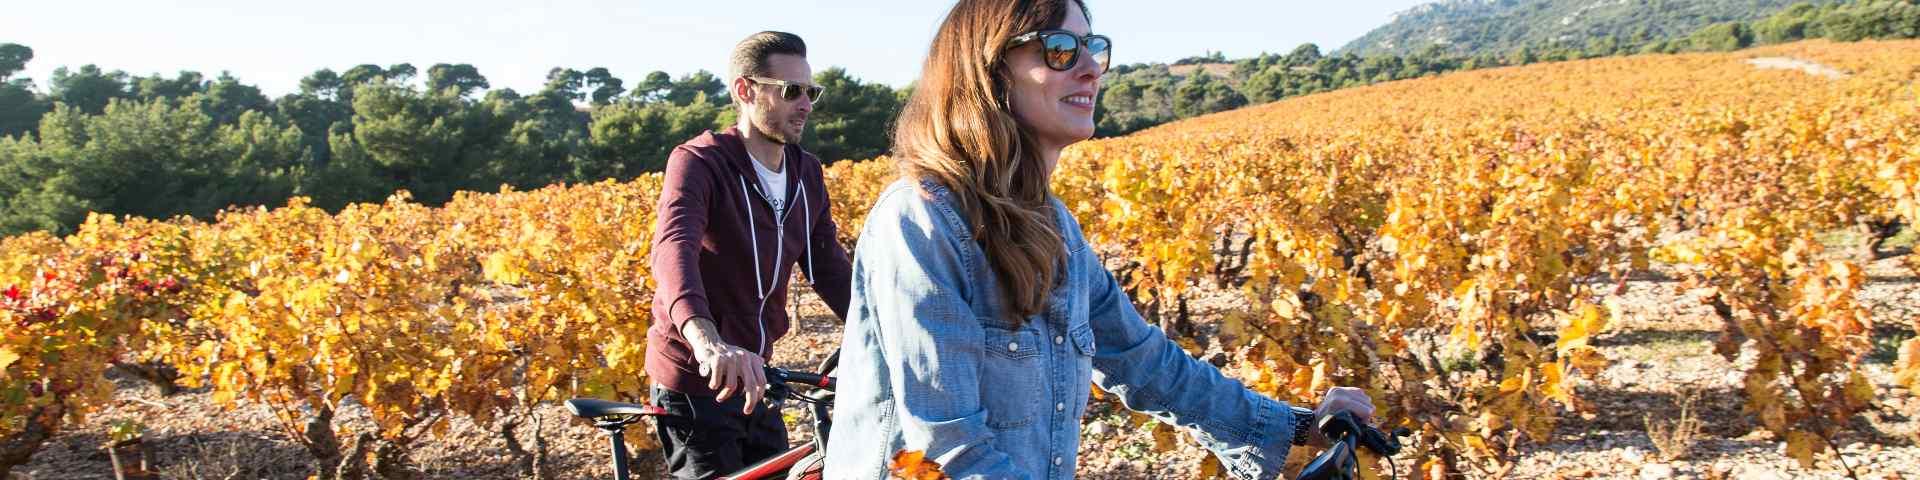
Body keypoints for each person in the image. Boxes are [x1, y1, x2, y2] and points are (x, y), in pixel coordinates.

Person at [821, 1, 1374, 478]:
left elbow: (1144, 362)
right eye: (1060, 49)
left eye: (1094, 48)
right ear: (987, 70)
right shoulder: (922, 221)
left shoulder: (1053, 225)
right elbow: (946, 449)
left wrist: (1296, 425)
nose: (1090, 68)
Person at [646, 30, 852, 480]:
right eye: (792, 91)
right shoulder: (701, 162)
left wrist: (882, 333)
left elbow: (829, 269)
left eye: (811, 92)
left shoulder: (805, 172)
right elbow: (674, 248)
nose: (806, 104)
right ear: (745, 90)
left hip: (758, 376)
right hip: (697, 378)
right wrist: (707, 343)